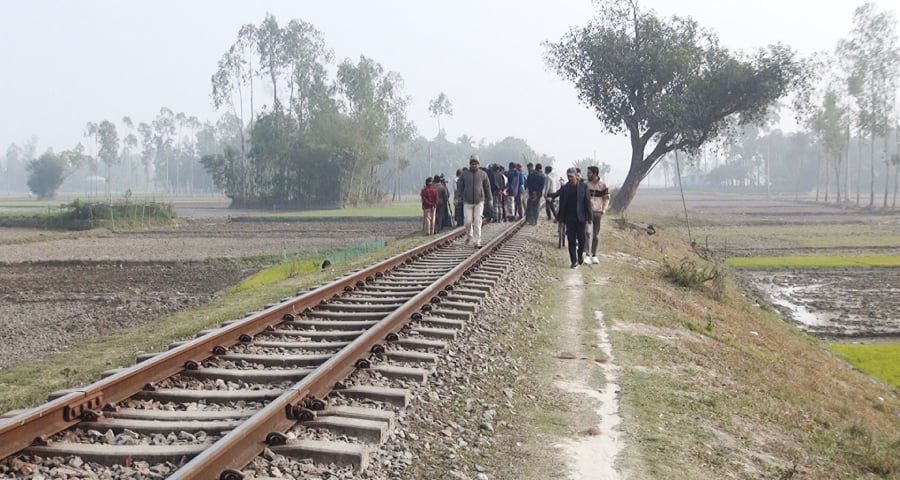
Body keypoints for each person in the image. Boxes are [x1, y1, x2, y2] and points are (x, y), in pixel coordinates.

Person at [556, 167, 592, 268]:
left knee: (582, 240)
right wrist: (560, 219)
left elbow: (587, 202)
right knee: (571, 240)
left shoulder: (583, 187)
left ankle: (580, 254)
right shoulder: (564, 189)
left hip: (581, 218)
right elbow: (562, 205)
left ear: (576, 176)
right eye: (568, 176)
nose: (570, 178)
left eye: (571, 176)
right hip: (569, 218)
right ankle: (574, 261)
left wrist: (589, 217)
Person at [455, 154, 493, 248]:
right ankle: (470, 236)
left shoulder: (483, 174)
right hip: (467, 202)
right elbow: (459, 187)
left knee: (477, 221)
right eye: (472, 163)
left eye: (476, 163)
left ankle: (477, 241)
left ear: (479, 164)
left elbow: (487, 188)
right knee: (467, 221)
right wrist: (456, 198)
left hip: (479, 201)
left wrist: (490, 199)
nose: (474, 165)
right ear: (470, 164)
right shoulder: (464, 174)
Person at [584, 166, 611, 264]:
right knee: (587, 232)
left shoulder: (603, 185)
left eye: (589, 173)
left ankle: (594, 254)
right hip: (587, 211)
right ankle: (586, 254)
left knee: (596, 234)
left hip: (597, 212)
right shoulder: (585, 184)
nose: (587, 175)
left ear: (595, 174)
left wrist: (603, 209)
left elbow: (607, 198)